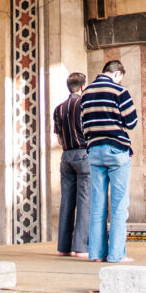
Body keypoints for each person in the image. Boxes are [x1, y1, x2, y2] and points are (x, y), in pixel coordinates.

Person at [80, 60, 138, 263]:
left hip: (94, 151)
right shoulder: (119, 90)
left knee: (97, 204)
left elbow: (82, 124)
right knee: (119, 204)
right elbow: (131, 122)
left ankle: (96, 254)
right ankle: (116, 254)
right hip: (117, 150)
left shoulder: (85, 93)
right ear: (117, 74)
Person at [53, 71, 90, 257]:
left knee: (67, 200)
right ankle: (81, 247)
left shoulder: (58, 109)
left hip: (66, 156)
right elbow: (89, 131)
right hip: (83, 155)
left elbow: (59, 139)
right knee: (85, 201)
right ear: (83, 86)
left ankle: (63, 247)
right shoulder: (84, 105)